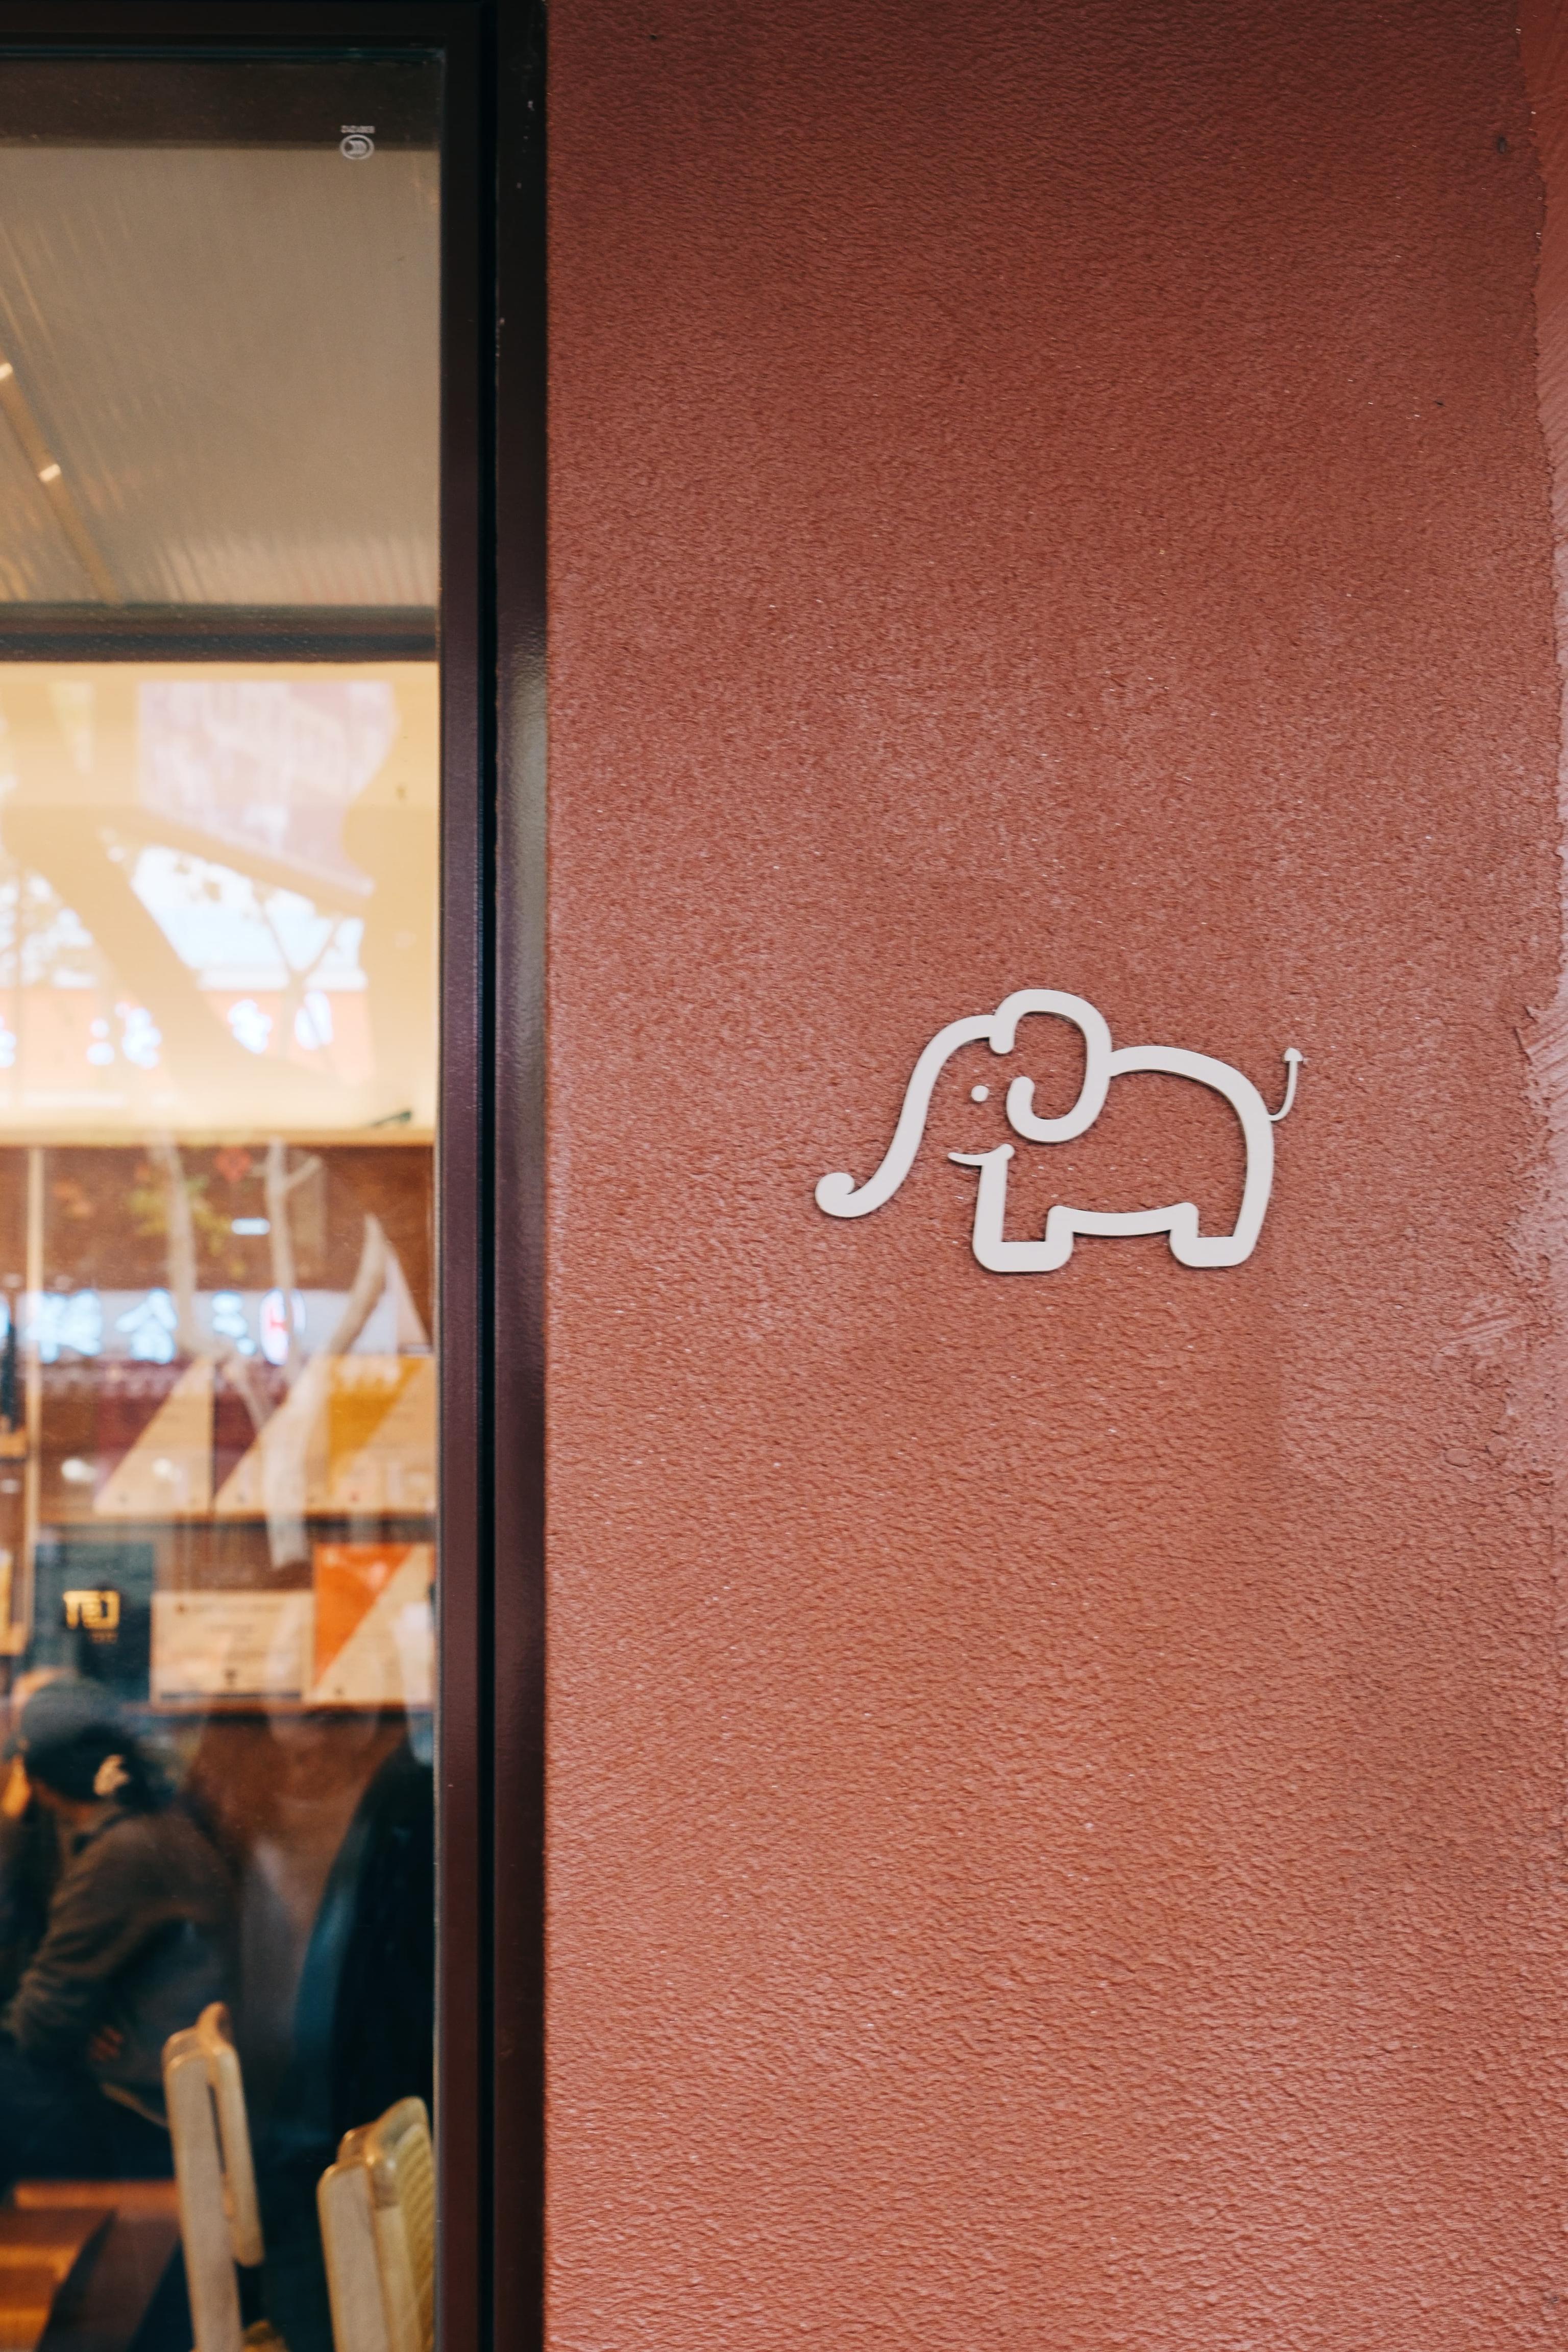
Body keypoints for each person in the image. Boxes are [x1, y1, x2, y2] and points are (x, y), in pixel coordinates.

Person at [0, 1677, 234, 2192]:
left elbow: (39, 2025)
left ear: (37, 1780)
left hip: (141, 2110)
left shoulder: (121, 1852)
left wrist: (9, 1825)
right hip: (155, 2084)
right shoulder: (155, 1822)